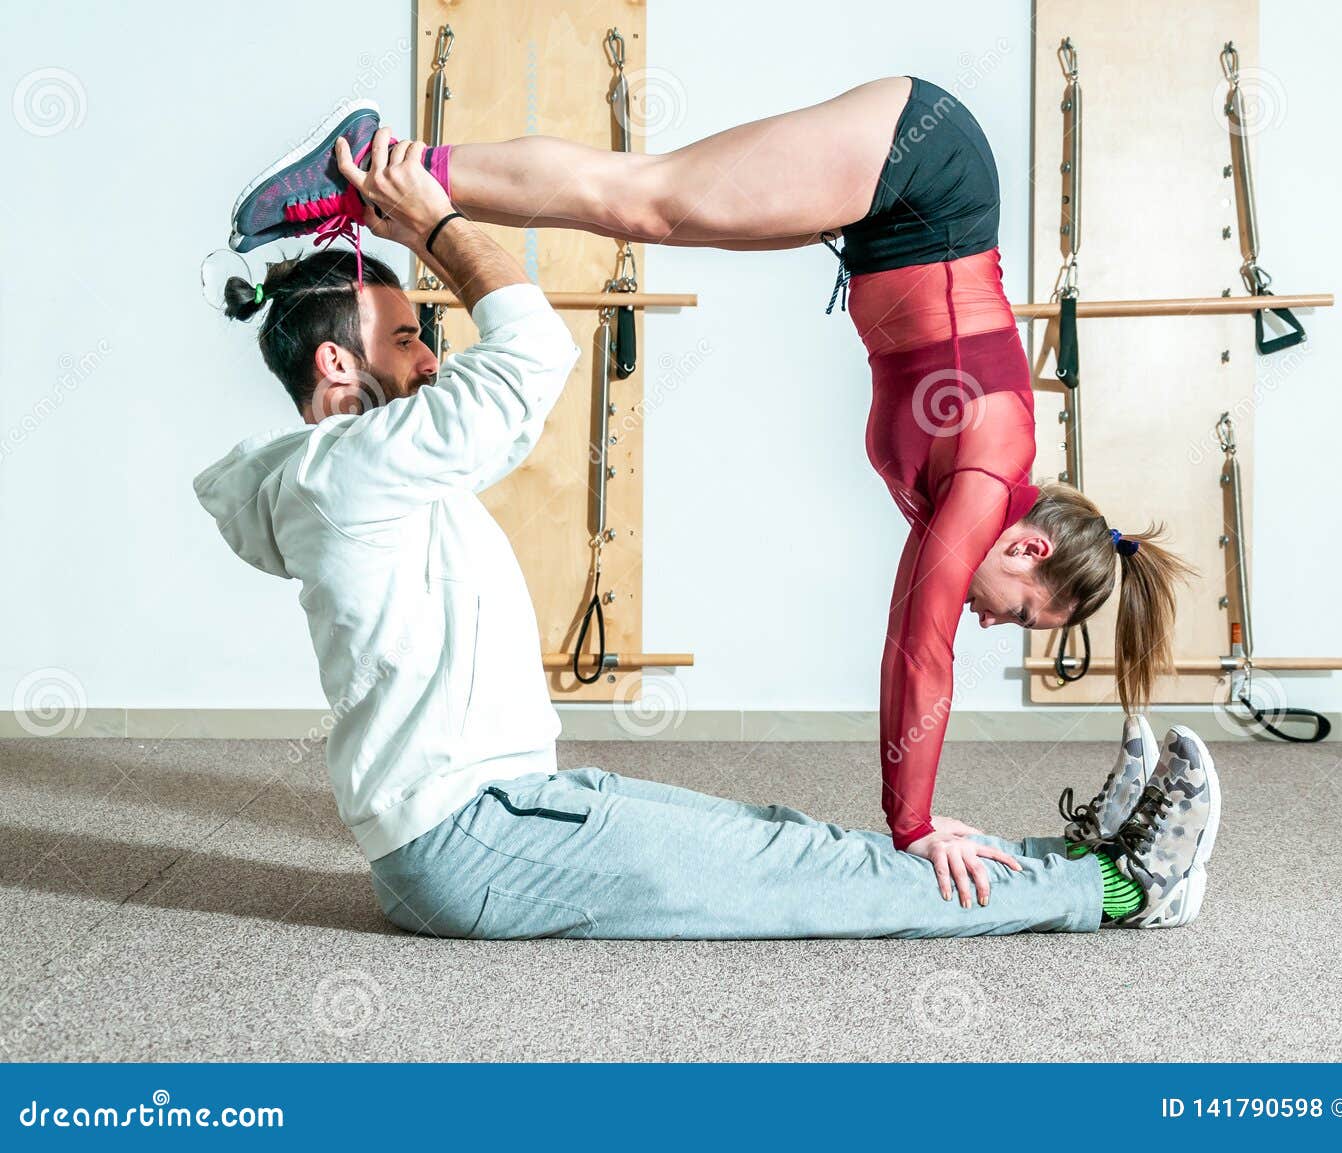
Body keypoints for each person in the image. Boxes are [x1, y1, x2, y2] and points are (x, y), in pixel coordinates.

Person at [206, 119, 1220, 938]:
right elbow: (526, 355)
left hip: (501, 811)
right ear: (337, 370)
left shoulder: (357, 475)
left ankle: (1078, 862)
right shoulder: (356, 474)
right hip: (477, 839)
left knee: (785, 842)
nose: (432, 357)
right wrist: (430, 223)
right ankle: (1124, 890)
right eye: (405, 339)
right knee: (803, 878)